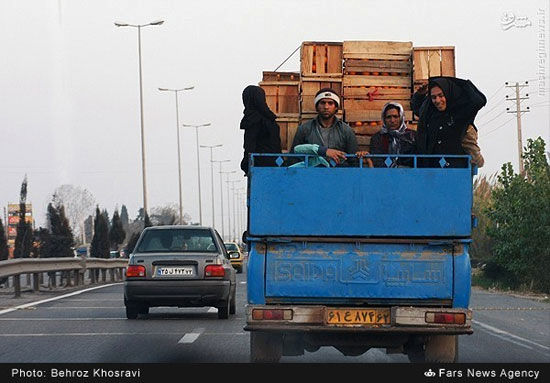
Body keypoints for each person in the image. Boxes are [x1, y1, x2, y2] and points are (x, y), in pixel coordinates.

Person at [412, 76, 486, 168]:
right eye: (434, 97)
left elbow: (479, 101)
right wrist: (419, 95)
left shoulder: (460, 114)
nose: (437, 101)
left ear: (448, 93)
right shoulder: (430, 114)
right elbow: (417, 108)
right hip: (431, 171)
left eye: (441, 95)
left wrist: (462, 83)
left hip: (457, 170)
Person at [290, 88, 358, 165]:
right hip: (311, 173)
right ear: (317, 107)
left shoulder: (346, 130)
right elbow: (294, 155)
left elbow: (353, 159)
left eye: (330, 103)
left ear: (336, 107)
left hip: (338, 173)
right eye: (322, 103)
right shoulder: (305, 129)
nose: (326, 107)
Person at [239, 85, 282, 175]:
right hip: (277, 165)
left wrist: (245, 166)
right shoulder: (270, 118)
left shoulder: (251, 120)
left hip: (259, 168)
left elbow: (249, 148)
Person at [357, 102, 416, 167]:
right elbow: (378, 159)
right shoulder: (378, 138)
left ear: (401, 118)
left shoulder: (412, 136)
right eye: (389, 117)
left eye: (395, 117)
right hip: (385, 173)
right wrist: (393, 168)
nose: (392, 120)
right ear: (384, 119)